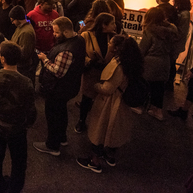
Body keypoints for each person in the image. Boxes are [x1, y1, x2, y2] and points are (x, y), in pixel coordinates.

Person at [76, 35, 144, 173]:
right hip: (123, 104)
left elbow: (108, 88)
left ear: (117, 48)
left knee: (101, 131)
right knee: (114, 132)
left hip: (111, 103)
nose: (108, 43)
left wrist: (95, 86)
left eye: (111, 42)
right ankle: (110, 157)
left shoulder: (118, 65)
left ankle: (94, 162)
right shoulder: (132, 62)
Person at [0, 41, 36, 193]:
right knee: (19, 163)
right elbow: (31, 110)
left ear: (2, 59)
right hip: (17, 129)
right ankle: (14, 188)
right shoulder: (26, 82)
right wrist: (26, 124)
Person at [34, 17, 85, 156]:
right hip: (69, 87)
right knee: (61, 113)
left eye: (56, 32)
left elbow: (58, 71)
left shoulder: (67, 50)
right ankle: (62, 138)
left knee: (53, 116)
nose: (54, 35)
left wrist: (45, 59)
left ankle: (52, 145)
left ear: (66, 31)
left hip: (58, 89)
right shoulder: (79, 40)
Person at [75, 13, 117, 134]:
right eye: (112, 23)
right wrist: (90, 61)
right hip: (91, 72)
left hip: (107, 73)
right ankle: (82, 120)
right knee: (87, 97)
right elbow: (80, 54)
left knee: (102, 100)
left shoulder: (113, 37)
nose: (115, 25)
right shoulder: (86, 35)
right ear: (104, 25)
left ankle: (98, 124)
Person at [138, 7, 178, 121]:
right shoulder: (171, 30)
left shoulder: (149, 31)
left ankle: (140, 105)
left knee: (144, 85)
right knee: (159, 87)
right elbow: (173, 49)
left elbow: (142, 49)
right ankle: (158, 111)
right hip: (165, 61)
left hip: (150, 62)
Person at [9, 5, 37, 82]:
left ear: (18, 18)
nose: (12, 23)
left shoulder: (26, 32)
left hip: (23, 68)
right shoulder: (20, 27)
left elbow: (24, 53)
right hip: (19, 66)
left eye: (13, 20)